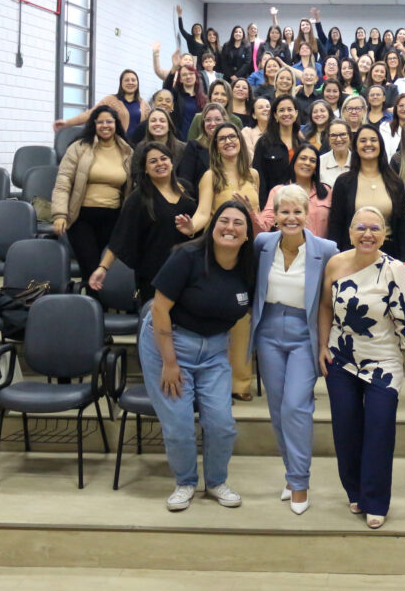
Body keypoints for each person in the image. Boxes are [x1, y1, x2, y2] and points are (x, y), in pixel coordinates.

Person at [320, 206, 405, 528]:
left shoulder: (394, 270)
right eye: (360, 227)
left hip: (382, 361)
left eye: (375, 228)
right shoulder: (335, 263)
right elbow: (325, 306)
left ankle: (376, 500)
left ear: (386, 234)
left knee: (379, 431)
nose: (367, 233)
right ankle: (355, 491)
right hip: (342, 358)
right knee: (346, 430)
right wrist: (322, 346)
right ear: (350, 232)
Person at [139, 199, 255, 512]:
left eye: (238, 223)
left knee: (221, 424)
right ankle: (186, 482)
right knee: (179, 426)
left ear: (247, 234)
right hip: (168, 343)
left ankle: (216, 482)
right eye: (224, 221)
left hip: (215, 350)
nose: (230, 228)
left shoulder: (249, 267)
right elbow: (159, 308)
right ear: (213, 225)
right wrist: (170, 362)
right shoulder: (187, 256)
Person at [249, 185, 338, 515]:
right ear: (275, 215)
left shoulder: (326, 249)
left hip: (305, 333)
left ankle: (300, 482)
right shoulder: (262, 244)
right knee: (276, 407)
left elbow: (329, 301)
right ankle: (290, 473)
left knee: (295, 407)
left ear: (307, 215)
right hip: (269, 330)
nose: (290, 217)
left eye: (297, 211)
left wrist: (324, 343)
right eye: (284, 211)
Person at [176, 123, 261, 402]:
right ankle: (214, 380)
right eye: (222, 138)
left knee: (243, 317)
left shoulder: (253, 175)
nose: (227, 141)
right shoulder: (210, 176)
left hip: (248, 251)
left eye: (232, 137)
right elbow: (203, 213)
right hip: (220, 253)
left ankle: (240, 382)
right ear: (215, 146)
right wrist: (191, 228)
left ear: (240, 141)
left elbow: (258, 215)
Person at [89, 142, 196, 302]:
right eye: (153, 161)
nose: (160, 163)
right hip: (154, 274)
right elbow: (121, 236)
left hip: (187, 270)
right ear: (145, 169)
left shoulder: (187, 189)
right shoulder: (138, 198)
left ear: (172, 162)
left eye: (163, 158)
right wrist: (103, 268)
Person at [51, 106, 132, 290]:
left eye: (109, 121)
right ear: (93, 124)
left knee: (107, 267)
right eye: (100, 122)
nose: (105, 125)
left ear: (116, 124)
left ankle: (102, 308)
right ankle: (94, 311)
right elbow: (63, 183)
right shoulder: (79, 148)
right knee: (90, 266)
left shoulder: (127, 151)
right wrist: (59, 214)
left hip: (114, 218)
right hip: (81, 217)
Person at [326, 124, 405, 260]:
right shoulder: (344, 182)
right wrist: (335, 260)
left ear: (381, 145)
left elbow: (402, 228)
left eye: (373, 140)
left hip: (388, 254)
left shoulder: (395, 183)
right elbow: (336, 225)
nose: (368, 144)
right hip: (352, 255)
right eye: (363, 140)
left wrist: (404, 263)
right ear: (355, 146)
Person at [259, 144, 333, 239]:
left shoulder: (326, 191)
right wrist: (251, 214)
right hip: (288, 248)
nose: (307, 163)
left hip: (320, 250)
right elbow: (265, 224)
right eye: (303, 158)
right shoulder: (278, 191)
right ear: (294, 162)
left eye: (312, 160)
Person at [54, 69, 149, 141]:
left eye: (133, 80)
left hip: (138, 146)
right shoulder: (111, 100)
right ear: (121, 83)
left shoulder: (144, 104)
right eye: (127, 80)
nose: (130, 83)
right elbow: (90, 114)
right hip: (119, 144)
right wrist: (67, 123)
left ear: (137, 83)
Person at [252, 95, 301, 208]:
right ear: (275, 115)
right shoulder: (264, 143)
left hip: (298, 203)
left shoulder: (302, 144)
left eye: (290, 109)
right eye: (281, 110)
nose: (286, 113)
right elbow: (259, 178)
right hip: (272, 205)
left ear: (296, 113)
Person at [170, 64, 208, 141]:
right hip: (180, 139)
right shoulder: (175, 95)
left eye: (191, 73)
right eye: (184, 75)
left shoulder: (204, 99)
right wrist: (174, 69)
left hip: (198, 141)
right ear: (180, 79)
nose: (188, 76)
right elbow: (167, 88)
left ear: (196, 76)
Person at [319, 119, 352, 188]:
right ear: (328, 138)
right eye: (333, 135)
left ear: (350, 137)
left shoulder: (359, 161)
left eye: (343, 134)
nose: (339, 139)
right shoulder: (320, 162)